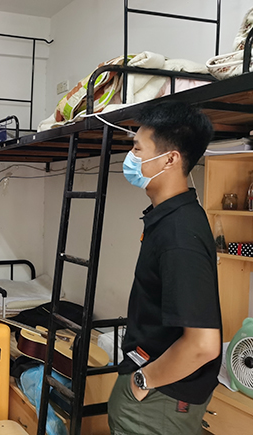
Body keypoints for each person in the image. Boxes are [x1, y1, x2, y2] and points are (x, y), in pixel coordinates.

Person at [108, 101, 222, 435]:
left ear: (170, 159)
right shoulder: (172, 217)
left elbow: (203, 345)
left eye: (137, 149)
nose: (130, 158)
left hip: (158, 399)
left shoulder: (179, 233)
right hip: (154, 388)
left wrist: (143, 381)